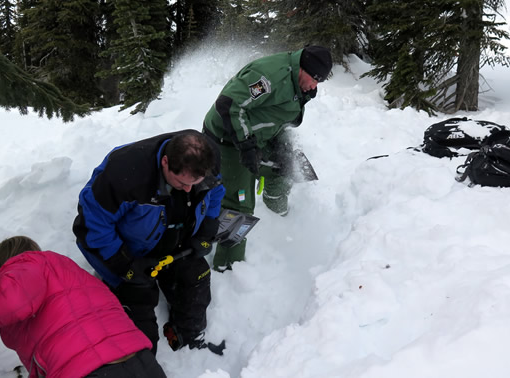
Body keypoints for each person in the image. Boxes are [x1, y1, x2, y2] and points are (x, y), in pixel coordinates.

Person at [73, 130, 225, 354]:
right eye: (182, 182)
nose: (188, 189)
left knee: (196, 277)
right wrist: (125, 264)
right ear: (165, 162)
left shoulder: (207, 159)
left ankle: (187, 335)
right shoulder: (125, 174)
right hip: (127, 250)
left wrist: (206, 230)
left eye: (196, 183)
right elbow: (92, 225)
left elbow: (216, 191)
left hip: (174, 238)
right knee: (139, 306)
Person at [202, 45, 332, 270]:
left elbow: (274, 115)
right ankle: (227, 266)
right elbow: (229, 105)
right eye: (314, 79)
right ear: (302, 68)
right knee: (239, 205)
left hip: (260, 138)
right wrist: (246, 146)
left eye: (319, 82)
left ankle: (279, 216)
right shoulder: (268, 77)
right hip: (228, 141)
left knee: (291, 166)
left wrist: (280, 147)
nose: (314, 86)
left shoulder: (299, 83)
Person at [0, 236, 166, 378]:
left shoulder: (30, 264)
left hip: (92, 369)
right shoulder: (73, 277)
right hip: (142, 362)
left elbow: (8, 301)